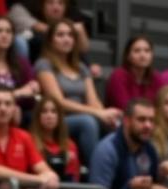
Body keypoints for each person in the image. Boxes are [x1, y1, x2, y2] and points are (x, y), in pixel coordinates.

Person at [34, 18, 118, 173]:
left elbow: (93, 101)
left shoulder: (81, 67)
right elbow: (59, 102)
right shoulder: (44, 64)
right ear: (51, 40)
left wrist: (106, 114)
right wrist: (98, 113)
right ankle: (97, 173)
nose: (66, 39)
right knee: (88, 122)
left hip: (85, 114)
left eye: (70, 35)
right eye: (60, 35)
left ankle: (119, 174)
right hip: (58, 118)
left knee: (118, 123)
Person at [28, 94, 78, 184]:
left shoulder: (70, 145)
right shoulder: (30, 142)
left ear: (59, 117)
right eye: (44, 111)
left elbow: (74, 179)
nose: (49, 116)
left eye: (54, 112)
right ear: (38, 116)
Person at [104, 34, 159, 110]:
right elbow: (125, 108)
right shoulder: (118, 75)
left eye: (147, 51)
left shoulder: (155, 77)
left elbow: (161, 105)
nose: (143, 55)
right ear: (128, 56)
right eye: (137, 51)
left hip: (149, 120)